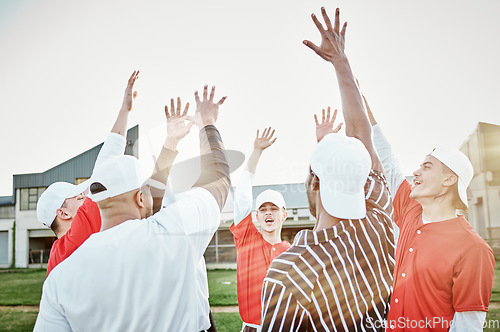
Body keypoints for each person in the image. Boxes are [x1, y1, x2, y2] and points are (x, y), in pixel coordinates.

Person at [34, 85, 230, 331]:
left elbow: (136, 194)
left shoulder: (58, 276)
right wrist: (207, 123)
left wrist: (169, 143)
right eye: (78, 198)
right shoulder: (173, 234)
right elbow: (217, 180)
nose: (84, 199)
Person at [261, 7, 395, 331]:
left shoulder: (289, 271)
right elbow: (363, 136)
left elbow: (360, 137)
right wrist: (342, 62)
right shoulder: (380, 222)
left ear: (313, 182)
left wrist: (340, 62)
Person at [360, 82, 495, 331]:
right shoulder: (412, 212)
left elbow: (467, 326)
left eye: (427, 166)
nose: (416, 172)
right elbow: (388, 162)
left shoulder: (473, 249)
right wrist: (361, 105)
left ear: (449, 180)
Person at [230, 127, 290, 332]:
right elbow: (242, 197)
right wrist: (256, 151)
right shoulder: (248, 239)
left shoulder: (293, 251)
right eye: (263, 209)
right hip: (252, 328)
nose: (268, 213)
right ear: (256, 216)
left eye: (274, 209)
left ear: (284, 215)